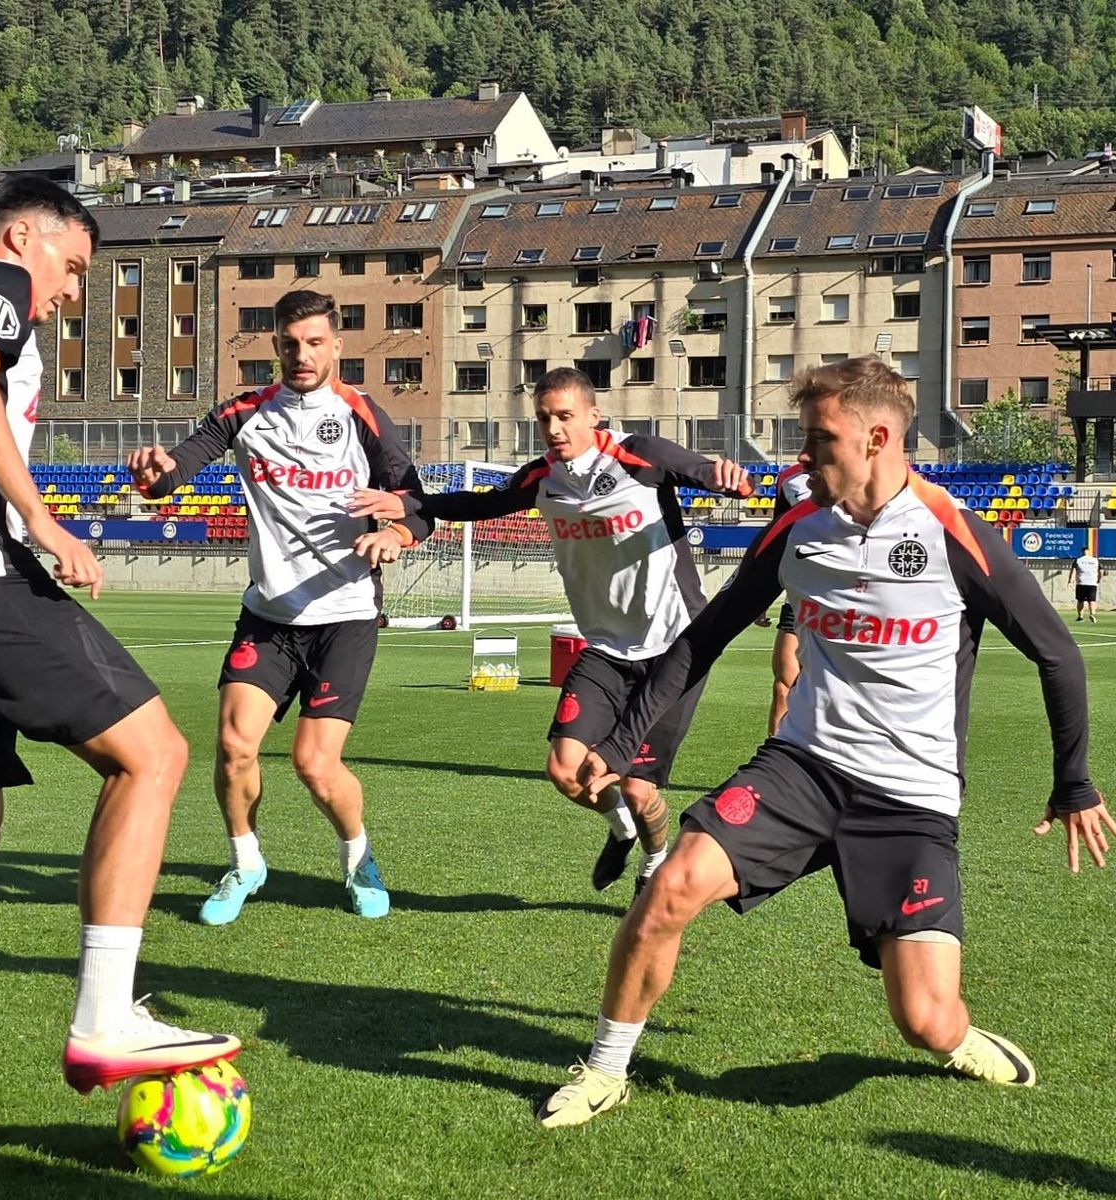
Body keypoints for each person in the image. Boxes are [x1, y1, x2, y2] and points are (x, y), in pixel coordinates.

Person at [536, 356, 1114, 1127]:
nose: (804, 457)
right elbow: (702, 639)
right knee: (669, 886)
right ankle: (607, 1070)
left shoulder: (951, 531)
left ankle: (956, 1037)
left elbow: (1057, 653)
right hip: (802, 769)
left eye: (820, 440)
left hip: (909, 797)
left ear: (877, 438)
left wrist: (1073, 782)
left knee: (925, 1021)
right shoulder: (800, 527)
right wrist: (619, 746)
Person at [0, 176, 240, 1133]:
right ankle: (105, 1015)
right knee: (155, 753)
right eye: (72, 268)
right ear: (24, 236)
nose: (68, 294)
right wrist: (42, 517)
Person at [353, 367, 748, 897]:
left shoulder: (640, 455)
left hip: (673, 648)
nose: (555, 429)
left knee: (638, 789)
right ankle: (623, 832)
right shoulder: (543, 478)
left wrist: (726, 476)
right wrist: (411, 505)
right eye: (545, 419)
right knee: (565, 771)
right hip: (605, 648)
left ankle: (655, 859)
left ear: (593, 415)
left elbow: (703, 472)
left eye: (565, 416)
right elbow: (481, 505)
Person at [128, 290, 431, 926]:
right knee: (234, 746)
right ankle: (245, 863)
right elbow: (174, 472)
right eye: (291, 344)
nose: (302, 354)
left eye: (315, 342)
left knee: (315, 765)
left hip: (345, 614)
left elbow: (418, 504)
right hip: (269, 617)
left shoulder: (362, 415)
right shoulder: (243, 413)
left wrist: (398, 531)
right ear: (275, 347)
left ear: (337, 346)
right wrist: (153, 473)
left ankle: (359, 859)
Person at [767, 464, 811, 735]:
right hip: (798, 598)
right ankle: (775, 752)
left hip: (850, 602)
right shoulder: (791, 478)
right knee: (784, 685)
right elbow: (777, 540)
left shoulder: (873, 471)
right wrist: (761, 598)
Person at [1067, 550, 1102, 623]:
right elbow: (1101, 571)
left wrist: (1070, 581)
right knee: (1092, 600)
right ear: (1089, 552)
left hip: (1081, 583)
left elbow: (1073, 572)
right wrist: (1098, 579)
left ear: (1082, 552)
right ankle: (1092, 614)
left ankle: (1080, 617)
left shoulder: (1078, 560)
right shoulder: (1095, 560)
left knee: (1080, 600)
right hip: (1092, 583)